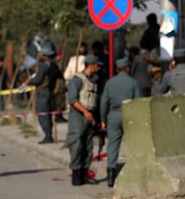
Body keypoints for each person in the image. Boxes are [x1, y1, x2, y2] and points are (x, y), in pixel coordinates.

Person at [100, 57, 141, 187]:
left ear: (117, 70)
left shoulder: (110, 83)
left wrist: (102, 119)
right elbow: (138, 102)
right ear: (128, 68)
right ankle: (134, 172)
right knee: (133, 143)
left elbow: (103, 103)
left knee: (113, 145)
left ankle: (111, 176)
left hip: (114, 114)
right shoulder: (134, 82)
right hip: (129, 114)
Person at [66, 55, 101, 186]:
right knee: (76, 144)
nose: (99, 68)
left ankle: (85, 174)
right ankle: (76, 174)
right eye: (97, 65)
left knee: (88, 145)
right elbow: (73, 100)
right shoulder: (76, 79)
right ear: (91, 65)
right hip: (78, 116)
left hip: (89, 116)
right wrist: (85, 112)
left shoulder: (91, 81)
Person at [26, 43, 63, 144]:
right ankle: (49, 134)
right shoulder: (55, 65)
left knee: (43, 114)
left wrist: (29, 81)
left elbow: (38, 79)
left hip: (43, 92)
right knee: (49, 114)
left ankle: (48, 135)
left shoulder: (44, 65)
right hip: (52, 92)